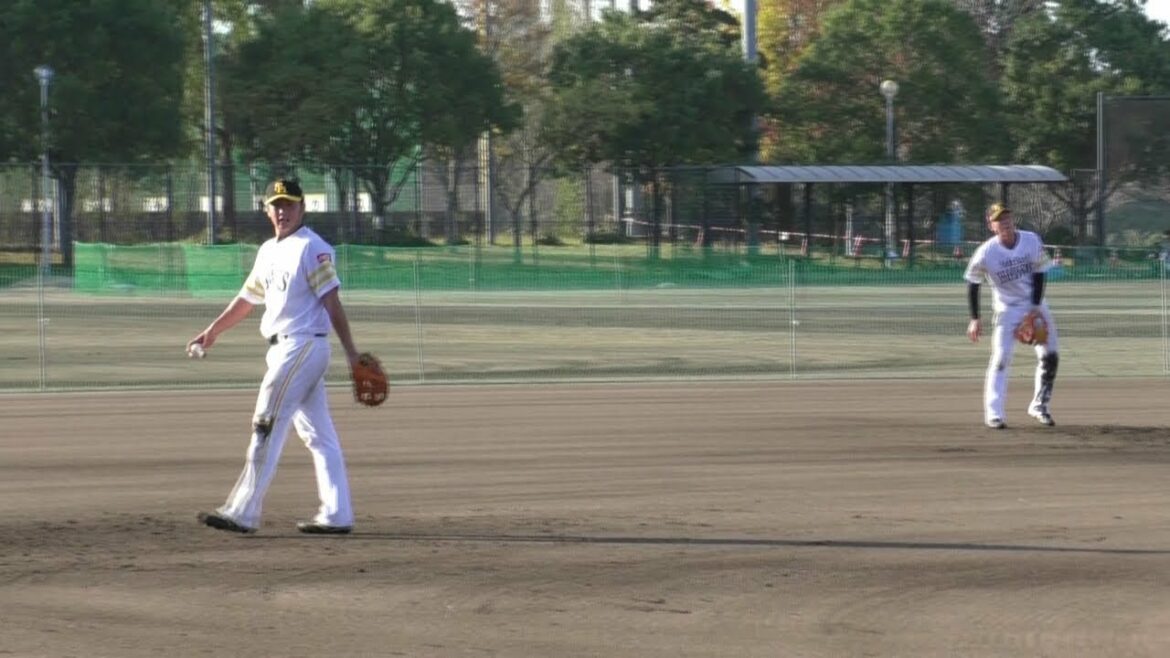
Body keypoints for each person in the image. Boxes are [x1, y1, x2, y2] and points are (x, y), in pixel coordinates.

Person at [187, 178, 361, 534]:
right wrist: (214, 330)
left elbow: (332, 302)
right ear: (266, 210)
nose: (283, 211)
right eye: (277, 205)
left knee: (266, 423)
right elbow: (247, 299)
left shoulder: (312, 247)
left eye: (290, 204)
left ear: (303, 208)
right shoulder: (268, 250)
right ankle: (337, 513)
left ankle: (243, 511)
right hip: (285, 349)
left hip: (302, 346)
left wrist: (352, 354)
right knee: (319, 435)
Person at [964, 203, 1059, 430]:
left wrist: (1035, 307)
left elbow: (1040, 273)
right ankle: (994, 413)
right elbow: (973, 282)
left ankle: (1039, 406)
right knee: (1001, 358)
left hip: (1034, 304)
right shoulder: (986, 252)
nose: (1005, 222)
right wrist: (975, 318)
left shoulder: (1031, 240)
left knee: (1050, 355)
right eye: (999, 219)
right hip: (1006, 309)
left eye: (1007, 217)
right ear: (991, 225)